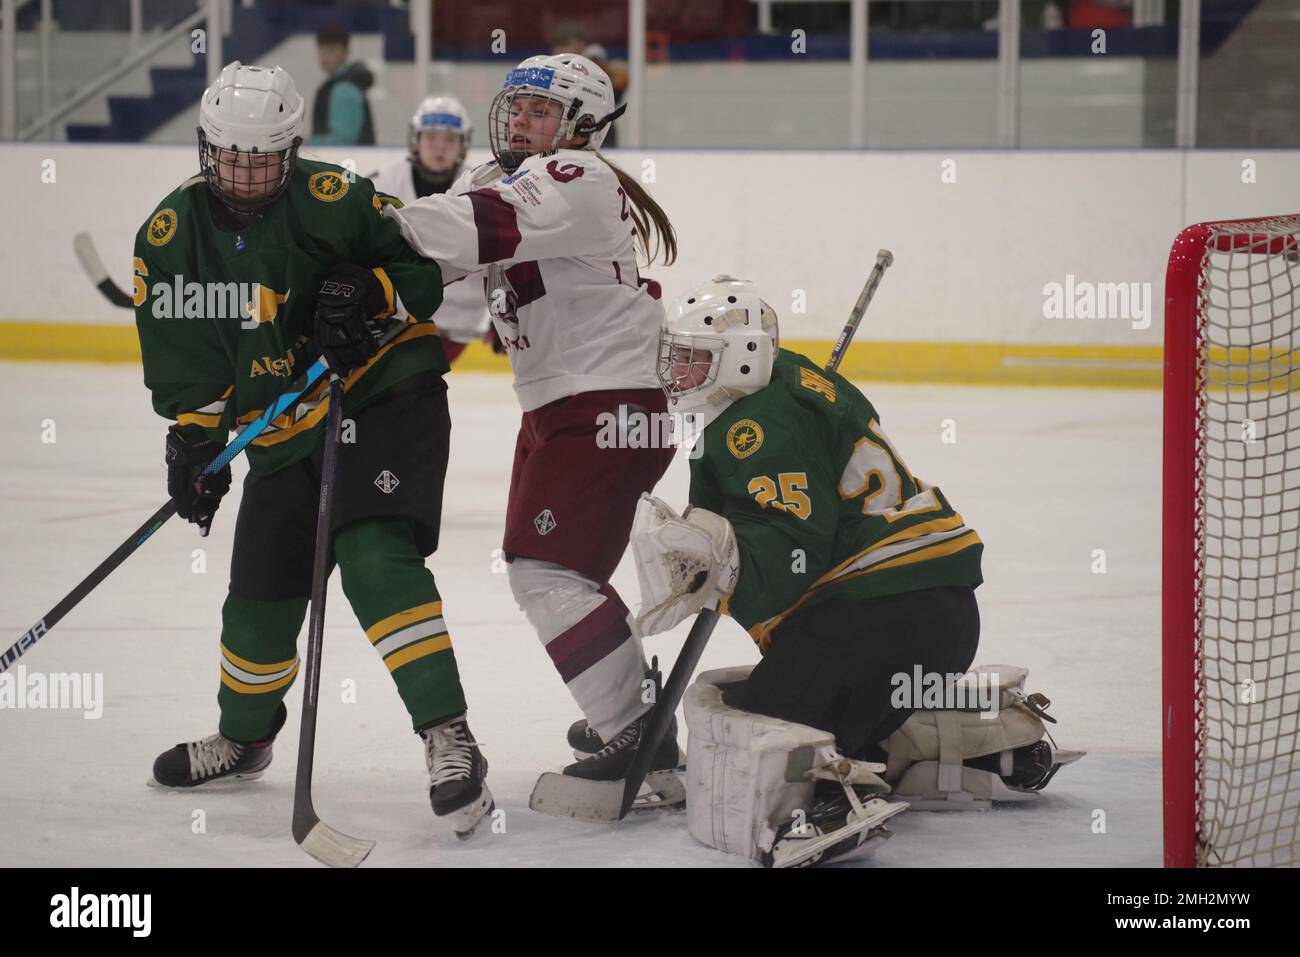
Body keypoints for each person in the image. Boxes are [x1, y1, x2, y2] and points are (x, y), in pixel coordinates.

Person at [133, 62, 492, 838]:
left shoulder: (337, 200)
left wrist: (369, 290)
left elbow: (425, 269)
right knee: (259, 596)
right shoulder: (171, 239)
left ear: (290, 150)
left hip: (384, 394)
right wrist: (194, 446)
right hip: (285, 428)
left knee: (373, 557)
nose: (248, 173)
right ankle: (244, 737)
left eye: (264, 157)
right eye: (232, 156)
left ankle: (447, 733)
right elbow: (189, 361)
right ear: (205, 148)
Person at [380, 54, 682, 791]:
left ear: (582, 125)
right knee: (548, 569)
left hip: (607, 403)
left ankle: (639, 734)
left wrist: (349, 213)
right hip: (562, 404)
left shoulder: (581, 177)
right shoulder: (500, 177)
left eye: (540, 112)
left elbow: (465, 229)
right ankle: (634, 711)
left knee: (550, 572)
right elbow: (438, 263)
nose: (519, 121)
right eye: (515, 106)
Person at [369, 95, 491, 364]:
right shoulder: (383, 181)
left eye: (450, 139)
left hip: (458, 324)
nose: (440, 147)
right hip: (393, 315)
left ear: (462, 144)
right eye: (431, 137)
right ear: (417, 139)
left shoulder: (484, 188)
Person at [312, 25, 375, 146]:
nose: (324, 57)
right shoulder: (340, 85)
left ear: (345, 52)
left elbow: (342, 140)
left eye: (330, 50)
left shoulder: (344, 89)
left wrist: (309, 144)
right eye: (321, 50)